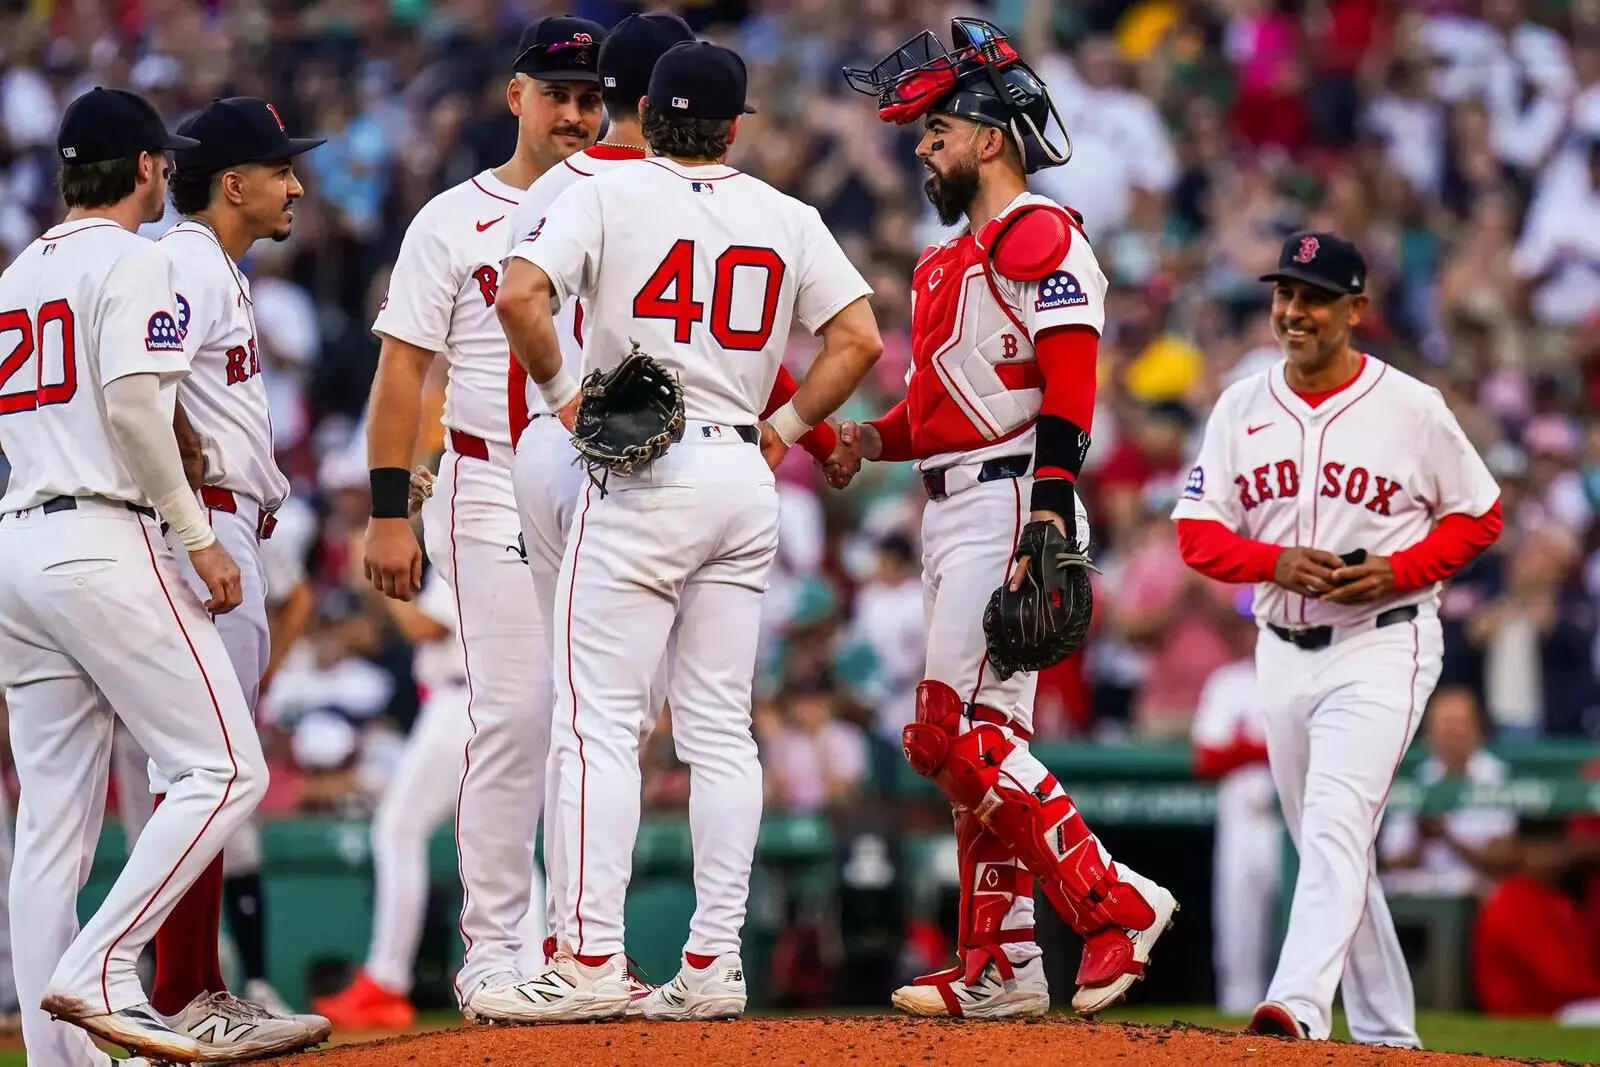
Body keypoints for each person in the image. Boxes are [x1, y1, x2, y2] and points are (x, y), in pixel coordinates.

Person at [503, 39, 882, 1022]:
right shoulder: (786, 214)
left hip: (640, 470)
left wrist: (562, 397)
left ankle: (589, 957)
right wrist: (788, 430)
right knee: (720, 729)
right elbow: (859, 338)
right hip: (739, 469)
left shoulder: (608, 190)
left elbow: (518, 294)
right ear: (734, 123)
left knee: (597, 726)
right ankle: (712, 959)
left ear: (646, 111)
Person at [832, 17, 1177, 1020]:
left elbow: (1070, 383)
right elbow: (939, 408)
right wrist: (867, 438)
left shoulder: (1039, 230)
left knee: (949, 735)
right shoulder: (948, 259)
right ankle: (1000, 959)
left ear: (990, 136)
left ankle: (1114, 899)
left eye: (937, 129)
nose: (923, 148)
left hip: (1012, 497)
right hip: (952, 495)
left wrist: (1049, 516)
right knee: (979, 744)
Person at [1172, 229, 1504, 1045]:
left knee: (1332, 826)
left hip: (1383, 639)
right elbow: (1195, 532)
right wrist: (1271, 561)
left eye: (1315, 297)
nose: (1294, 311)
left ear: (1357, 308)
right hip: (1281, 648)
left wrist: (1402, 569)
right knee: (1334, 845)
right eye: (1285, 293)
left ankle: (1296, 1008)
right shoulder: (1241, 404)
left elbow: (1481, 513)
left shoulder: (1412, 408)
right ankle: (1390, 1034)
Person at [0, 86, 267, 1065]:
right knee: (227, 765)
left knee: (50, 837)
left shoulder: (19, 269)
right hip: (101, 535)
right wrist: (196, 535)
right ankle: (106, 966)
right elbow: (134, 411)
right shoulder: (139, 258)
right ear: (152, 168)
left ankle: (55, 1056)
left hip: (19, 537)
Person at [359, 16, 614, 1021]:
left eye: (593, 96)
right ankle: (497, 951)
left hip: (603, 480)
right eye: (559, 94)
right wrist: (391, 508)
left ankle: (587, 948)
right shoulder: (452, 219)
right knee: (512, 715)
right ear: (516, 97)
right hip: (488, 471)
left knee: (592, 723)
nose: (577, 112)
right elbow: (401, 370)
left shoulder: (624, 202)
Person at [104, 94, 330, 1060]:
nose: (297, 184)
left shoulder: (211, 267)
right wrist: (195, 527)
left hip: (229, 527)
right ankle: (182, 986)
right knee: (206, 769)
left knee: (207, 771)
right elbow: (140, 397)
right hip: (202, 531)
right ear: (230, 182)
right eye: (281, 169)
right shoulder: (186, 262)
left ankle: (191, 984)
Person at [315, 565, 470, 1031]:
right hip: (492, 697)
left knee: (397, 830)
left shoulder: (473, 518)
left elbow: (424, 626)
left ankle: (387, 979)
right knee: (500, 841)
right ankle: (530, 967)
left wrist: (376, 582)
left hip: (460, 699)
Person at [1190, 596, 1278, 1015]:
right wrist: (1269, 748)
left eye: (1261, 624)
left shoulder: (1302, 680)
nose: (1255, 634)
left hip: (1290, 822)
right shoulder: (1227, 682)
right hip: (1243, 820)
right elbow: (1207, 758)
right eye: (1249, 625)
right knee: (1238, 937)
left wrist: (1243, 747)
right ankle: (1233, 1032)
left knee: (1299, 930)